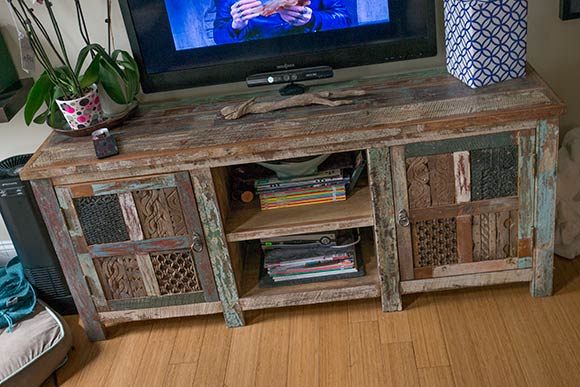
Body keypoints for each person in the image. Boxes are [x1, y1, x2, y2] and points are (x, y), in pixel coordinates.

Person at [213, 0, 352, 44]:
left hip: (313, 53)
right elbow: (218, 37)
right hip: (260, 61)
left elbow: (345, 20)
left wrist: (313, 19)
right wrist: (235, 26)